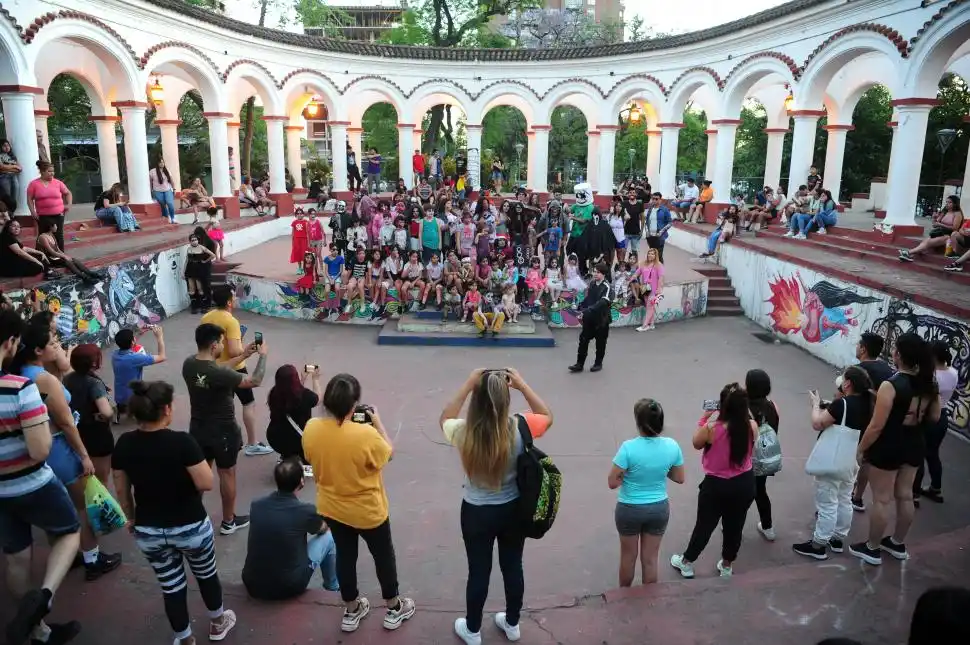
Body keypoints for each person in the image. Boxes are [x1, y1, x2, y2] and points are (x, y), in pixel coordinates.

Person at [112, 380, 237, 645]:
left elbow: (122, 491)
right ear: (167, 409)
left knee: (171, 586)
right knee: (206, 574)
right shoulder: (182, 442)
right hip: (190, 524)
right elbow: (206, 482)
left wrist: (131, 518)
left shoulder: (124, 444)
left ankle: (185, 637)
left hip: (150, 529)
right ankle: (217, 622)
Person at [439, 367, 553, 644]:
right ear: (506, 400)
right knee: (513, 565)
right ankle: (512, 624)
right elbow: (547, 416)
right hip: (513, 509)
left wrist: (468, 383)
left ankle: (473, 630)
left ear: (476, 400)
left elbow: (445, 417)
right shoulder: (520, 426)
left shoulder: (464, 431)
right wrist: (522, 385)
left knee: (478, 571)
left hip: (476, 511)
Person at [302, 374, 416, 633]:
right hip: (368, 511)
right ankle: (394, 607)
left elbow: (310, 455)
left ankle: (352, 608)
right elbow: (388, 452)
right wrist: (376, 421)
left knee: (345, 555)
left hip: (332, 507)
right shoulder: (366, 434)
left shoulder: (311, 428)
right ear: (354, 404)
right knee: (383, 556)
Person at [11, 323, 123, 582]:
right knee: (84, 507)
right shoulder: (43, 379)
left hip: (39, 449)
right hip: (60, 447)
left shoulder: (20, 374)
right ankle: (93, 559)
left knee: (56, 508)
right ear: (38, 350)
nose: (58, 347)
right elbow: (66, 423)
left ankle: (69, 555)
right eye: (53, 344)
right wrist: (84, 455)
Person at [0, 309, 82, 645]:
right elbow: (39, 449)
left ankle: (36, 631)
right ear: (11, 342)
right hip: (34, 482)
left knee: (16, 557)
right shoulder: (20, 388)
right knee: (69, 534)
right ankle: (44, 598)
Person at [850, 333, 940, 565]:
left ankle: (872, 548)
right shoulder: (929, 384)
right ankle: (898, 543)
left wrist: (860, 449)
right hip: (914, 443)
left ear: (899, 355)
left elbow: (876, 425)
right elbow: (935, 416)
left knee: (881, 498)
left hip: (889, 445)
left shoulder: (891, 385)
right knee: (905, 494)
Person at [183, 322, 268, 535]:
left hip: (198, 429)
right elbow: (254, 381)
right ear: (213, 346)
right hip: (223, 432)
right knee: (227, 474)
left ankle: (192, 518)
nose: (223, 345)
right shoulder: (215, 373)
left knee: (199, 475)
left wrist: (244, 356)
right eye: (221, 342)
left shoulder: (190, 364)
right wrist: (263, 355)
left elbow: (218, 371)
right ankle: (229, 521)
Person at [670, 383, 757, 579]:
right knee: (735, 525)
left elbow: (695, 443)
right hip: (744, 483)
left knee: (705, 525)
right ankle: (726, 566)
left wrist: (704, 417)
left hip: (716, 486)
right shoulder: (751, 426)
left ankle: (687, 562)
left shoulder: (711, 429)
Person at [793, 366, 873, 560]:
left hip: (832, 462)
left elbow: (817, 423)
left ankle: (818, 544)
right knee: (845, 498)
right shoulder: (868, 404)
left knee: (827, 502)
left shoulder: (842, 404)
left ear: (847, 384)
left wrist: (814, 405)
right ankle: (837, 539)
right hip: (851, 460)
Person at [608, 399, 684, 587]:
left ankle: (624, 596)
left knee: (628, 557)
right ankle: (648, 601)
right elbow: (679, 477)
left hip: (629, 508)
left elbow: (612, 482)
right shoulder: (672, 446)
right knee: (650, 559)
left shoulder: (628, 448)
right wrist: (657, 469)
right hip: (658, 508)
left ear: (639, 423)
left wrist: (630, 475)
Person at [242, 458, 338, 601]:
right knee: (329, 538)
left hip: (252, 584)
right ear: (301, 482)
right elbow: (323, 529)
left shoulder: (256, 505)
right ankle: (333, 588)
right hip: (290, 586)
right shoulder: (305, 511)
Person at [201, 285, 274, 456]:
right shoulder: (231, 321)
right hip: (235, 368)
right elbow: (234, 351)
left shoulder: (206, 317)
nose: (235, 299)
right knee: (248, 403)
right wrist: (247, 349)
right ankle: (252, 443)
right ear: (228, 302)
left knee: (222, 405)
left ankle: (220, 439)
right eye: (233, 297)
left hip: (213, 366)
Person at [852, 331, 895, 511]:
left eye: (858, 344)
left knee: (855, 460)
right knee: (867, 462)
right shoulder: (886, 368)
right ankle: (858, 498)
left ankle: (848, 495)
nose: (856, 347)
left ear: (863, 349)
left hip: (863, 422)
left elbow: (846, 396)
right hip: (883, 422)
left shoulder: (858, 371)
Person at [63, 344, 116, 485]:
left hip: (77, 431)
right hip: (97, 436)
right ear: (93, 363)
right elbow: (106, 412)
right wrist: (111, 412)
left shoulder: (68, 378)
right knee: (101, 480)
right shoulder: (93, 383)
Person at [914, 340, 957, 505]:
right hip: (943, 416)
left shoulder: (931, 375)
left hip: (928, 416)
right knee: (932, 454)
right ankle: (935, 488)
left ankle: (914, 493)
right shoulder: (953, 373)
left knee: (918, 454)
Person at [746, 369, 780, 543]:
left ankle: (733, 523)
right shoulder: (773, 406)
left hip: (747, 460)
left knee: (743, 493)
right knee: (760, 491)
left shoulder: (745, 409)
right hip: (765, 458)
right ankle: (768, 527)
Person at [266, 364, 321, 469]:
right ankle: (301, 459)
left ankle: (287, 455)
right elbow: (317, 399)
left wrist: (302, 381)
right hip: (298, 440)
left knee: (287, 438)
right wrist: (315, 379)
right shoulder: (305, 395)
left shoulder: (274, 393)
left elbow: (292, 394)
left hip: (275, 438)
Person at [112, 326, 166, 422]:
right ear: (132, 342)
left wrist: (139, 333)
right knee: (157, 392)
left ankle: (122, 409)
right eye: (134, 337)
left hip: (119, 396)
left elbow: (129, 343)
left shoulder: (115, 355)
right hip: (132, 397)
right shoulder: (135, 358)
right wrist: (159, 337)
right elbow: (162, 357)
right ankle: (137, 411)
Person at [569, 262, 613, 373]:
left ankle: (598, 363)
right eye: (594, 271)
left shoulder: (607, 287)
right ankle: (579, 364)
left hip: (602, 320)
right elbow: (589, 298)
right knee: (583, 339)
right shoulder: (593, 284)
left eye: (598, 272)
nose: (595, 274)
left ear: (603, 274)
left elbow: (603, 302)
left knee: (600, 343)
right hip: (589, 318)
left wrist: (589, 310)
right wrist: (581, 306)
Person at [35, 219, 103, 284]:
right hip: (48, 259)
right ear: (50, 227)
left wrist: (66, 256)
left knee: (74, 260)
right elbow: (52, 252)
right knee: (68, 262)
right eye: (55, 225)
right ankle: (85, 278)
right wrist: (64, 257)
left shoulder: (52, 235)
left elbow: (58, 249)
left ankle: (90, 273)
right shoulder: (42, 237)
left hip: (56, 257)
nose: (57, 227)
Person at [899, 195, 963, 262]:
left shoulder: (957, 214)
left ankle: (908, 253)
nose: (947, 204)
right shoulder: (945, 212)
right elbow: (935, 225)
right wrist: (934, 218)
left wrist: (941, 224)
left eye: (950, 202)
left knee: (928, 242)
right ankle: (909, 254)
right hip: (939, 233)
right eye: (946, 202)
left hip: (949, 236)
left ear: (955, 204)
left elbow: (955, 228)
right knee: (925, 241)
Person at [26, 161, 71, 251]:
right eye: (49, 171)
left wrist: (69, 204)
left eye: (53, 171)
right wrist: (33, 212)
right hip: (43, 215)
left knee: (58, 235)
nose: (52, 173)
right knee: (43, 236)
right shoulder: (34, 184)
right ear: (42, 171)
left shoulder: (58, 183)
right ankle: (42, 256)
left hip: (58, 214)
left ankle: (60, 257)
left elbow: (68, 193)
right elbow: (29, 199)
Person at [642, 193, 672, 262]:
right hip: (650, 236)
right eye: (653, 199)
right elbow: (647, 221)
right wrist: (647, 232)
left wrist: (661, 232)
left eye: (656, 199)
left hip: (660, 236)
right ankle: (652, 271)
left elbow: (670, 222)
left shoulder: (664, 210)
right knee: (651, 255)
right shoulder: (650, 209)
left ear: (660, 200)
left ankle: (659, 271)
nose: (654, 200)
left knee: (659, 255)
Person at [150, 159, 177, 223]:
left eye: (163, 162)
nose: (162, 164)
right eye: (160, 162)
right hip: (157, 190)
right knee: (162, 204)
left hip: (167, 189)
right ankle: (166, 217)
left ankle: (173, 218)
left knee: (170, 203)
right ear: (157, 163)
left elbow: (171, 180)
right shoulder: (152, 171)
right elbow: (150, 182)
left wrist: (174, 189)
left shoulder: (166, 170)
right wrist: (151, 190)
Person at [0, 138, 22, 212]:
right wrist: (14, 166)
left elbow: (20, 169)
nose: (7, 147)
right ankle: (6, 216)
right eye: (4, 146)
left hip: (14, 177)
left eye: (8, 145)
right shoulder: (0, 155)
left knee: (14, 198)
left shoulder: (12, 156)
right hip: (4, 177)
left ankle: (12, 215)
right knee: (7, 198)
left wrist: (7, 168)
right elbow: (1, 167)